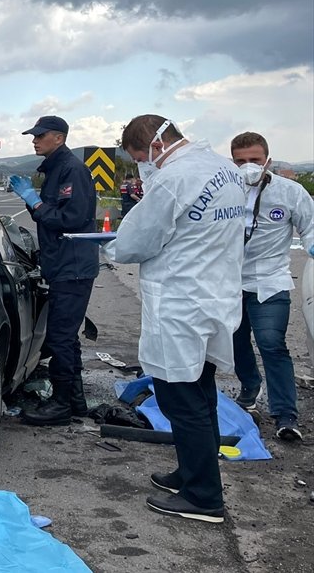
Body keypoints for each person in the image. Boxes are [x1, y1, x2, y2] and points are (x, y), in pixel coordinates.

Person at [104, 114, 245, 524]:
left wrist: (111, 247)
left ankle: (204, 497)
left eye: (140, 158)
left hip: (180, 304)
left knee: (181, 400)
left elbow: (134, 243)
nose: (144, 166)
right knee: (200, 392)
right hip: (214, 298)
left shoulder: (172, 179)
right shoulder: (224, 169)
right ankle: (189, 472)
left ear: (154, 145)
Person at [9, 115, 99, 426]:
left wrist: (34, 203)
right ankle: (74, 401)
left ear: (58, 138)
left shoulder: (72, 169)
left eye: (40, 135)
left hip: (72, 266)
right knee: (66, 338)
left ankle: (61, 405)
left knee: (60, 338)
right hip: (64, 264)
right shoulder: (57, 169)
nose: (34, 140)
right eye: (33, 135)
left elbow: (71, 218)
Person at [228, 132, 314, 442]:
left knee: (272, 344)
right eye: (240, 161)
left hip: (270, 281)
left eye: (254, 160)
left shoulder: (290, 192)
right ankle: (250, 388)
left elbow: (310, 224)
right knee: (235, 343)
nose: (247, 166)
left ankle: (285, 414)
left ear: (268, 159)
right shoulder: (223, 192)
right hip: (229, 283)